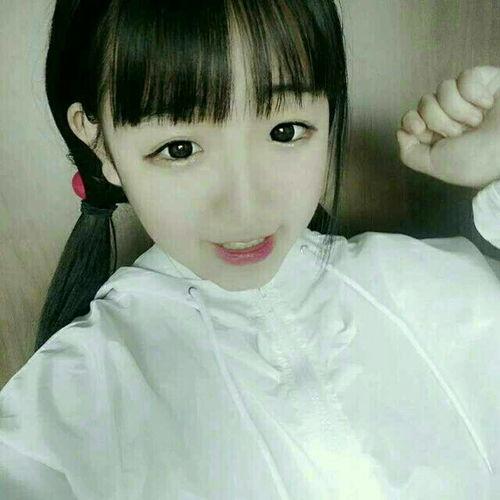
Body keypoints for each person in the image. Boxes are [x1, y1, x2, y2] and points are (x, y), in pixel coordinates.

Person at [1, 0, 499, 498]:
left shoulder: (431, 285)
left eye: (285, 131)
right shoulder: (60, 416)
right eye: (179, 149)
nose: (245, 205)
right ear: (98, 142)